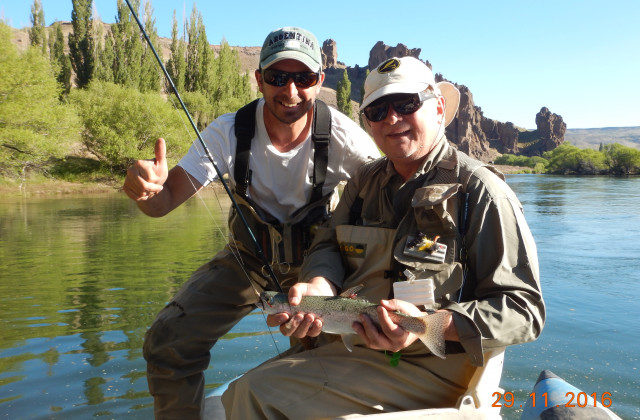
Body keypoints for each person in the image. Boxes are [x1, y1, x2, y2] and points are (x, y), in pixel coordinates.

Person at [221, 56, 546, 419]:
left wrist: (427, 325)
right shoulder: (362, 182)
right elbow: (328, 245)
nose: (391, 118)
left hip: (431, 369)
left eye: (406, 104)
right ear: (368, 123)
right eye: (377, 111)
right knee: (239, 393)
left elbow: (525, 311)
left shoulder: (482, 192)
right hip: (351, 351)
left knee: (251, 395)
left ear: (439, 108)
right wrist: (319, 284)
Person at [122, 26, 380, 419]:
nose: (290, 91)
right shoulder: (228, 132)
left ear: (319, 81)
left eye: (303, 78)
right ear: (259, 79)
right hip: (248, 261)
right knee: (167, 341)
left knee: (322, 354)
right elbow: (165, 202)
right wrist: (147, 193)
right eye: (277, 77)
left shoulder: (344, 137)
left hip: (319, 267)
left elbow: (387, 203)